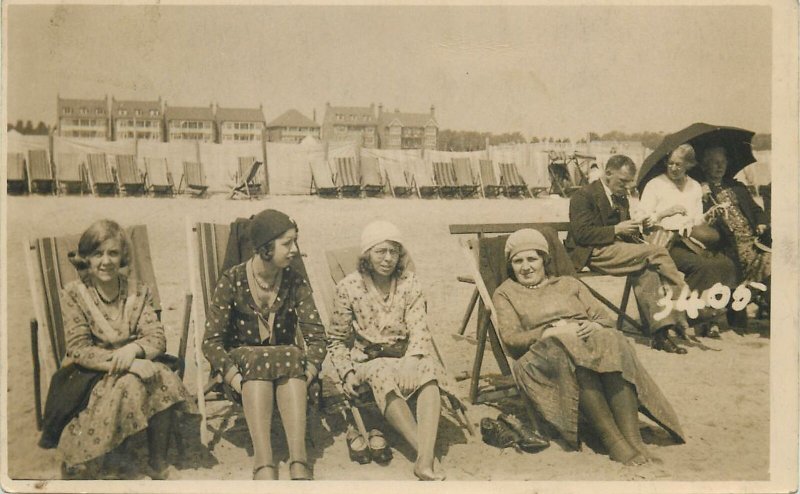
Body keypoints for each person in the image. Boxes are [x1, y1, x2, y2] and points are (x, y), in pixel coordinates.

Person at [493, 229, 685, 465]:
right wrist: (548, 331)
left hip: (584, 342)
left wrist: (594, 326)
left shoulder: (568, 283)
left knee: (613, 339)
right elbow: (511, 339)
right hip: (542, 356)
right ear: (510, 265)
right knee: (567, 346)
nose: (526, 267)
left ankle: (633, 440)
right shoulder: (506, 293)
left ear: (544, 259)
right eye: (517, 261)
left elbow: (604, 319)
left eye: (532, 258)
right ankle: (613, 441)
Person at [39, 219, 197, 479]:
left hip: (136, 362)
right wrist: (127, 363)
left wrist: (134, 350)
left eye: (113, 253)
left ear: (123, 256)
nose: (106, 261)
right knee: (130, 384)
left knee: (163, 376)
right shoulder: (74, 294)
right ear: (86, 259)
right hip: (90, 374)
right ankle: (114, 461)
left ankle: (157, 461)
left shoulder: (138, 291)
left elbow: (156, 337)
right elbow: (80, 349)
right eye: (97, 254)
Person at [327, 220, 457, 481]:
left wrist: (411, 360)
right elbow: (336, 340)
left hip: (404, 356)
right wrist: (347, 372)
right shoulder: (349, 287)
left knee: (428, 369)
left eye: (394, 251)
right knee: (380, 372)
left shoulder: (410, 283)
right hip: (367, 360)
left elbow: (419, 328)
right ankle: (425, 456)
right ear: (367, 254)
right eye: (380, 251)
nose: (388, 258)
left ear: (400, 255)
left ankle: (424, 458)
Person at [202, 209, 327, 480]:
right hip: (243, 373)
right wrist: (233, 378)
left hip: (289, 372)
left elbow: (316, 334)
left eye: (295, 242)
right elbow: (211, 341)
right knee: (265, 361)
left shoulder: (294, 281)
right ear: (265, 247)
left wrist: (311, 370)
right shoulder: (232, 280)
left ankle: (298, 459)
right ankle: (264, 459)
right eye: (287, 243)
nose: (295, 250)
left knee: (290, 355)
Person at [565, 154, 692, 354]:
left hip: (616, 249)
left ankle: (660, 334)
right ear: (608, 174)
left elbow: (626, 231)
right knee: (657, 252)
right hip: (592, 251)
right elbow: (581, 234)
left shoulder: (621, 196)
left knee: (647, 269)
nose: (626, 187)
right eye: (622, 182)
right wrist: (617, 229)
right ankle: (682, 295)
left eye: (628, 183)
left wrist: (641, 227)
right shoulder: (584, 195)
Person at [638, 144, 738, 337]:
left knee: (724, 263)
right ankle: (690, 316)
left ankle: (704, 316)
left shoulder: (693, 186)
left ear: (689, 165)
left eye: (679, 165)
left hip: (690, 239)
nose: (674, 168)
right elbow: (642, 219)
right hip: (664, 241)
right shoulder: (655, 185)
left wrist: (709, 216)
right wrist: (665, 213)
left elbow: (696, 219)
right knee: (701, 265)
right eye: (671, 163)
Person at [699, 145, 771, 325]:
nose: (719, 166)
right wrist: (704, 201)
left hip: (755, 239)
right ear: (705, 165)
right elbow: (700, 222)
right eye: (715, 163)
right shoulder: (701, 190)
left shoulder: (736, 186)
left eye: (723, 162)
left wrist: (762, 222)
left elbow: (756, 209)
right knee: (772, 264)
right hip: (729, 245)